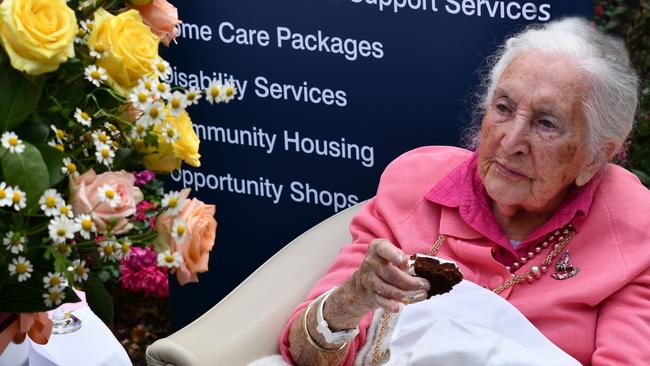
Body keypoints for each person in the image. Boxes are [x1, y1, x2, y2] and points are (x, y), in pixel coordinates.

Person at [279, 17, 650, 366]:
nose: (511, 141)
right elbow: (305, 354)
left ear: (594, 157)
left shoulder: (634, 229)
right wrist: (351, 300)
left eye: (546, 123)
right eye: (503, 108)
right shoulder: (413, 183)